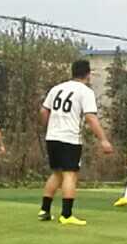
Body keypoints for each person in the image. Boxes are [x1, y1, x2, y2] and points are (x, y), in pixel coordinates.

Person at [39, 60, 114, 225]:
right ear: (88, 74)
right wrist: (103, 140)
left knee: (57, 173)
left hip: (52, 137)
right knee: (70, 174)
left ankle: (44, 210)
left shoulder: (56, 88)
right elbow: (90, 117)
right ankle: (66, 215)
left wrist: (49, 127)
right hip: (70, 138)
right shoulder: (85, 92)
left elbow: (44, 111)